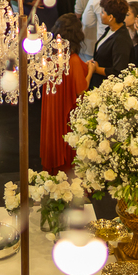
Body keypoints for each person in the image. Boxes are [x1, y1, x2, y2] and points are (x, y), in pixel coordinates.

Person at [40, 14, 89, 175]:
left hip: (53, 112)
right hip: (67, 115)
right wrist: (91, 71)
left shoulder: (50, 58)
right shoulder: (73, 60)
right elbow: (81, 91)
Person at [88, 0, 135, 87]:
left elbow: (119, 71)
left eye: (103, 12)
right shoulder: (110, 30)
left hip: (107, 86)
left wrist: (96, 69)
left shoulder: (121, 40)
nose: (100, 14)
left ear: (111, 17)